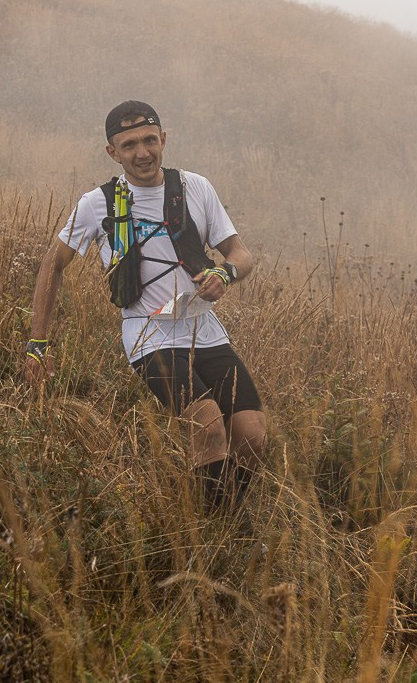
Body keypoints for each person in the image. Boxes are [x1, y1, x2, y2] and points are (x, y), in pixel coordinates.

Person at [26, 100, 266, 521]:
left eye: (150, 140)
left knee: (251, 435)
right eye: (129, 144)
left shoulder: (195, 188)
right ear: (112, 152)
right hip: (147, 333)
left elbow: (240, 253)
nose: (142, 152)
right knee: (208, 428)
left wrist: (225, 274)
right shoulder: (97, 204)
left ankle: (230, 522)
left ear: (164, 140)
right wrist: (37, 344)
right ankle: (212, 532)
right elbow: (52, 264)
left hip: (204, 328)